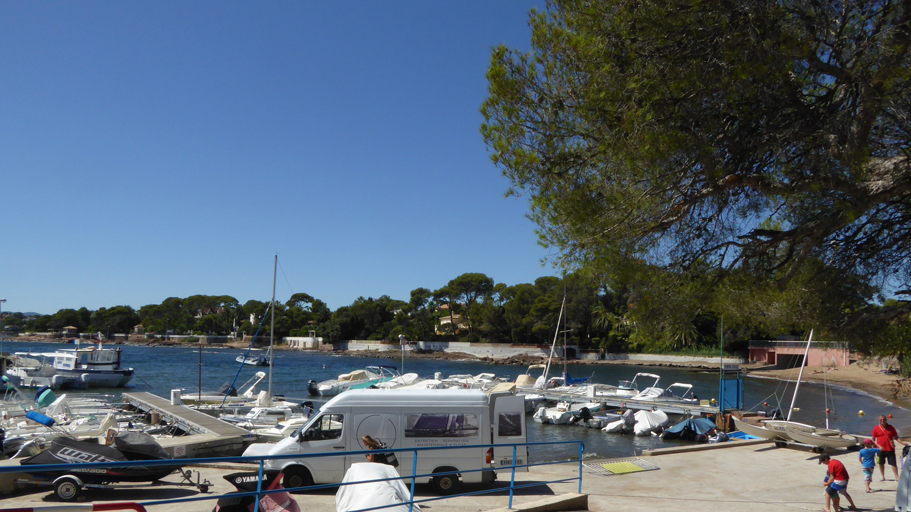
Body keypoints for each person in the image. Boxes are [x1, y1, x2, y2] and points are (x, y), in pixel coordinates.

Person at [336, 435, 418, 512]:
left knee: (378, 485)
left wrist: (366, 454)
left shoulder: (371, 448)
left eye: (363, 441)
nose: (363, 443)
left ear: (366, 441)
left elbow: (371, 460)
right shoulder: (376, 445)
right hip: (384, 465)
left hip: (378, 467)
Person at [872, 414, 907, 481]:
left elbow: (896, 437)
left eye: (883, 419)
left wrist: (902, 443)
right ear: (879, 420)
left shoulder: (891, 428)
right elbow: (873, 439)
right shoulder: (876, 428)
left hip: (890, 449)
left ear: (886, 420)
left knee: (893, 463)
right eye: (881, 420)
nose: (882, 421)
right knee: (881, 463)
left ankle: (897, 476)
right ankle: (882, 476)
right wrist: (873, 447)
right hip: (880, 449)